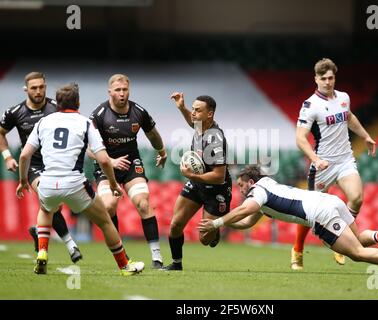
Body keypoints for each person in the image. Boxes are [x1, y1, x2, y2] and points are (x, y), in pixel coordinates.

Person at [198, 165, 378, 276]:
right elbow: (246, 221)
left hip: (319, 214)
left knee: (355, 254)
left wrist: (216, 223)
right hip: (330, 201)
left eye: (241, 185)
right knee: (358, 240)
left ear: (251, 181)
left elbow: (243, 210)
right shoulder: (268, 186)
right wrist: (223, 221)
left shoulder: (257, 192)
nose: (240, 189)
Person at [16, 83, 145, 276]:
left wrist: (23, 180)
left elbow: (24, 156)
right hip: (75, 184)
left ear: (57, 103)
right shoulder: (85, 123)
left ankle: (42, 251)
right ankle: (125, 266)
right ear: (78, 102)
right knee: (105, 222)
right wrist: (112, 184)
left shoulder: (43, 122)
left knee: (45, 209)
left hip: (47, 182)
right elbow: (103, 159)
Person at [292, 58, 377, 269]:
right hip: (323, 165)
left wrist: (366, 136)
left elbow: (348, 117)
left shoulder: (344, 97)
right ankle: (297, 249)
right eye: (323, 78)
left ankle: (342, 242)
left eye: (331, 78)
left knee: (356, 198)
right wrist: (315, 159)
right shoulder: (310, 105)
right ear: (316, 79)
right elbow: (300, 138)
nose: (328, 82)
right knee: (310, 213)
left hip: (345, 159)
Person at [0, 71, 82, 263]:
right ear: (26, 89)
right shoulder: (15, 112)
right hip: (34, 166)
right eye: (34, 88)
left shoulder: (56, 107)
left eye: (41, 87)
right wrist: (7, 157)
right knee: (50, 200)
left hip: (58, 163)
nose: (38, 91)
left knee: (55, 204)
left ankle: (40, 230)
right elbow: (1, 132)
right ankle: (71, 246)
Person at [89, 74, 166, 269]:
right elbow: (87, 147)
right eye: (117, 90)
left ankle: (157, 257)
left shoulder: (138, 112)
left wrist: (162, 151)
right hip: (106, 165)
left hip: (131, 163)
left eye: (125, 90)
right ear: (110, 92)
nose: (122, 94)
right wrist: (109, 161)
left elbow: (153, 134)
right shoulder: (98, 115)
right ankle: (122, 255)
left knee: (143, 202)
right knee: (108, 206)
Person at [162, 92, 232, 271]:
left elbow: (219, 176)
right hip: (197, 183)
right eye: (192, 109)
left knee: (204, 239)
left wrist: (192, 176)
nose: (193, 114)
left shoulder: (215, 139)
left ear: (210, 114)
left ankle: (215, 232)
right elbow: (191, 121)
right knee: (176, 224)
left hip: (217, 190)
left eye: (197, 111)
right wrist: (181, 108)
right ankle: (176, 264)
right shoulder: (200, 126)